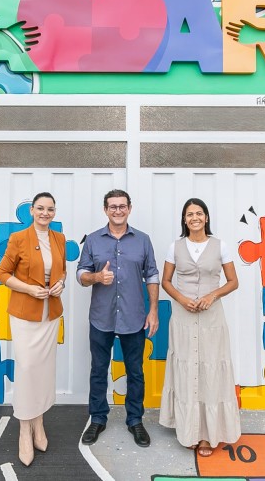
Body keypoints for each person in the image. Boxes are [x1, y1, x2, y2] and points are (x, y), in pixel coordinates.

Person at [77, 189, 159, 448]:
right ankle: (97, 419)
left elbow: (152, 275)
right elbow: (81, 275)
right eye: (112, 206)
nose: (118, 210)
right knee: (99, 370)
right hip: (101, 317)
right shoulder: (92, 240)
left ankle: (135, 420)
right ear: (105, 210)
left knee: (135, 371)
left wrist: (153, 310)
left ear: (129, 209)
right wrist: (97, 277)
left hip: (134, 317)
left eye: (122, 206)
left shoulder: (143, 240)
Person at [159, 197, 241, 457]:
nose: (194, 218)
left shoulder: (220, 246)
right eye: (189, 214)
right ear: (184, 220)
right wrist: (182, 299)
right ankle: (188, 430)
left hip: (211, 318)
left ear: (206, 217)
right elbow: (166, 281)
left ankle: (207, 435)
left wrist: (212, 296)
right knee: (186, 368)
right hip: (182, 318)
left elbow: (233, 281)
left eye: (199, 213)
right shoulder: (175, 247)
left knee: (210, 369)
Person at [0, 192, 67, 466]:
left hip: (50, 314)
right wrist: (28, 289)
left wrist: (60, 283)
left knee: (43, 370)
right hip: (25, 315)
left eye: (50, 209)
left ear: (54, 212)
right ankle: (24, 429)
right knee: (26, 370)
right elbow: (2, 274)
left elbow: (61, 271)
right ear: (32, 211)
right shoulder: (18, 238)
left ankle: (38, 422)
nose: (45, 213)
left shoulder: (59, 238)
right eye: (40, 208)